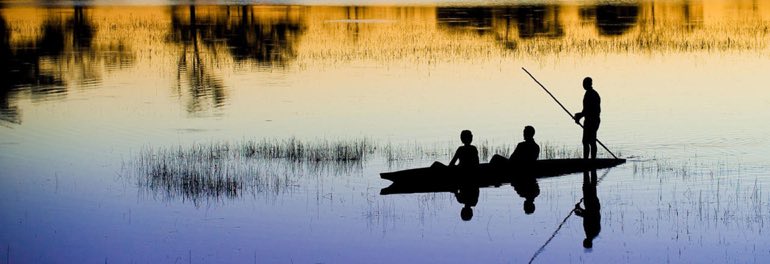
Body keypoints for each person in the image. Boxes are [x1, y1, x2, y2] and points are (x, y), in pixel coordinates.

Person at [573, 77, 601, 159]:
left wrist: (579, 116)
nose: (583, 85)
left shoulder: (591, 94)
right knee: (588, 141)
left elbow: (589, 110)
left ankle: (590, 160)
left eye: (584, 83)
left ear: (589, 84)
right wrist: (579, 116)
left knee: (589, 141)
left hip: (592, 121)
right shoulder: (590, 93)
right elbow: (586, 110)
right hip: (590, 120)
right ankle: (588, 160)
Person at [574, 169, 601, 249]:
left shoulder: (593, 233)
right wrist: (579, 210)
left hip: (593, 205)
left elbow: (588, 216)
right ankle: (587, 169)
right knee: (588, 185)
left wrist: (580, 211)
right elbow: (590, 215)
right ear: (586, 242)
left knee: (591, 185)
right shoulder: (591, 232)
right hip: (591, 205)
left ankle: (590, 169)